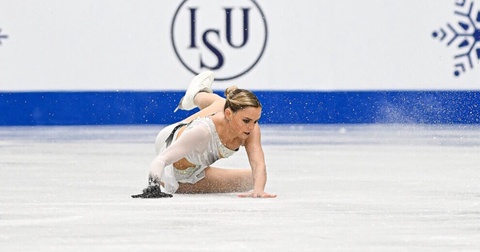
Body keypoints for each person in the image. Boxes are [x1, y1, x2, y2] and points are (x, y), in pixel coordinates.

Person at [132, 71, 277, 198]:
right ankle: (197, 94)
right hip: (170, 149)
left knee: (252, 180)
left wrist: (258, 191)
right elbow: (161, 159)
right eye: (246, 120)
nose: (252, 127)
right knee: (222, 104)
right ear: (228, 114)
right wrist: (153, 187)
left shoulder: (250, 129)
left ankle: (198, 95)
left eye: (255, 121)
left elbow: (258, 164)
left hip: (196, 169)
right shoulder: (203, 131)